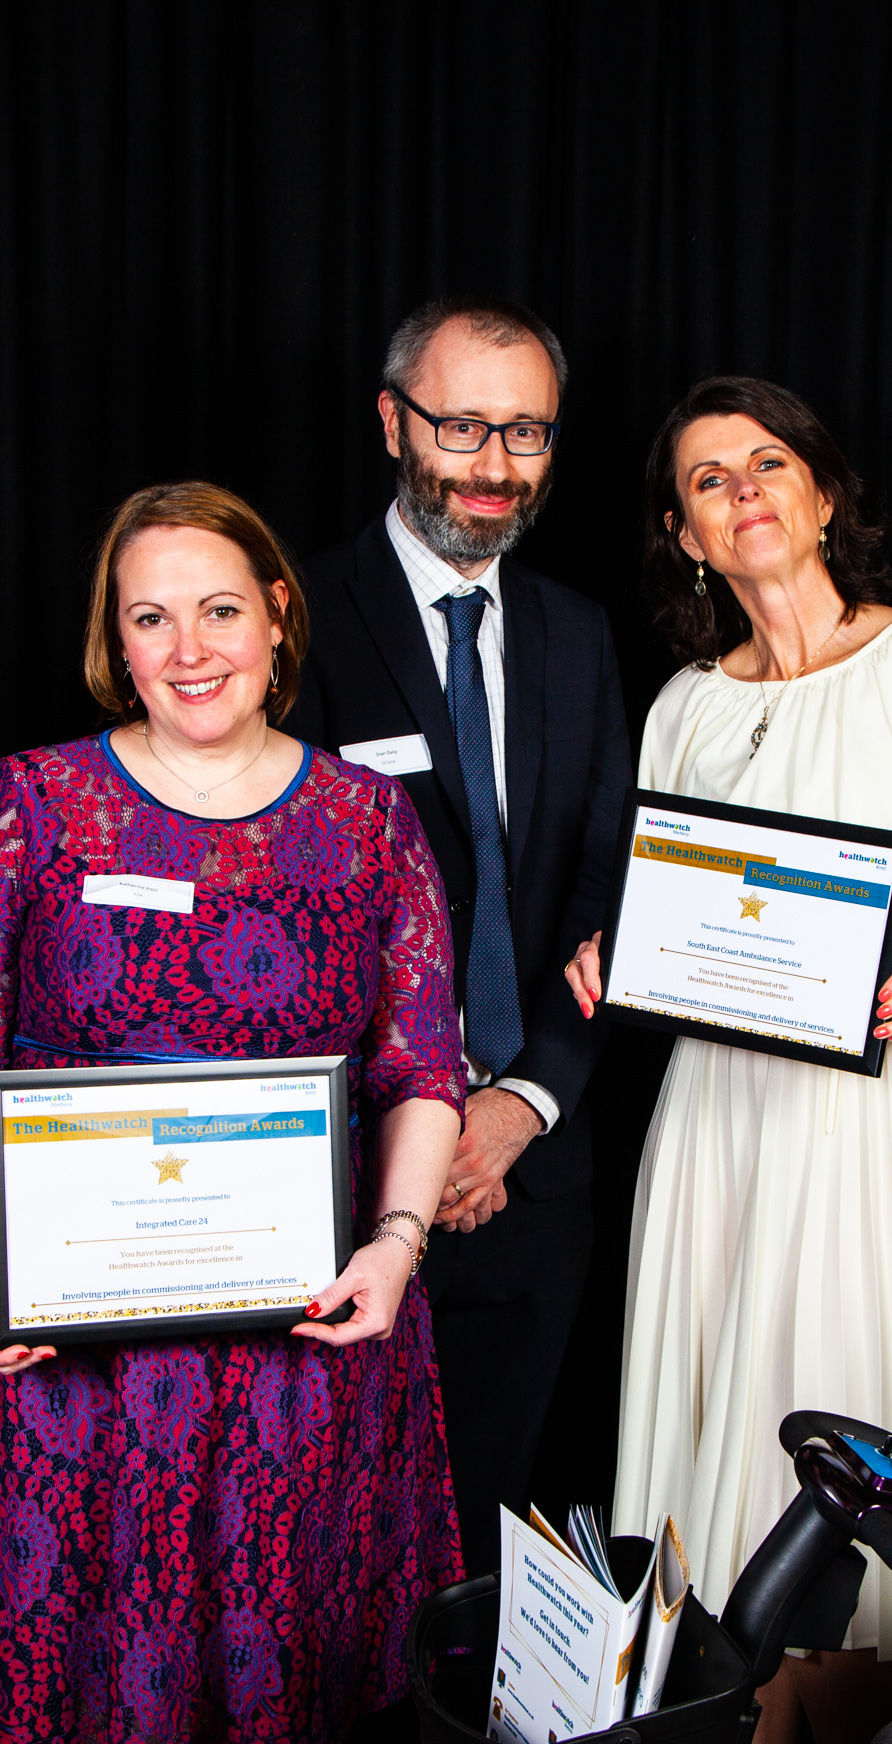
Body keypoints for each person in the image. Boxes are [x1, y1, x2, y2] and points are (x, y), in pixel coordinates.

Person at [0, 481, 464, 1744]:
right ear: (116, 639)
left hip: (304, 1344)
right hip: (80, 1360)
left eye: (218, 607)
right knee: (144, 1739)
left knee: (244, 1720)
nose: (188, 645)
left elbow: (426, 1071)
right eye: (151, 616)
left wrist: (397, 1238)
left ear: (277, 615)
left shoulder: (369, 818)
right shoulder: (35, 802)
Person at [566, 376, 892, 1744]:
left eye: (769, 462)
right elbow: (665, 902)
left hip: (880, 1112)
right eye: (708, 479)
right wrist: (609, 951)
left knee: (853, 1473)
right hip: (718, 1121)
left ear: (826, 492)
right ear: (682, 532)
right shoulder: (689, 707)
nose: (745, 491)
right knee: (716, 1482)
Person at [295, 298, 633, 1577]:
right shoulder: (292, 614)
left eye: (526, 432)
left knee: (496, 1541)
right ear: (393, 423)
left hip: (535, 1173)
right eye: (462, 426)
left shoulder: (578, 634)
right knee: (331, 1539)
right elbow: (275, 909)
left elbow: (607, 894)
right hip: (350, 1167)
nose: (493, 466)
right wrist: (429, 1119)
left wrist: (523, 1102)